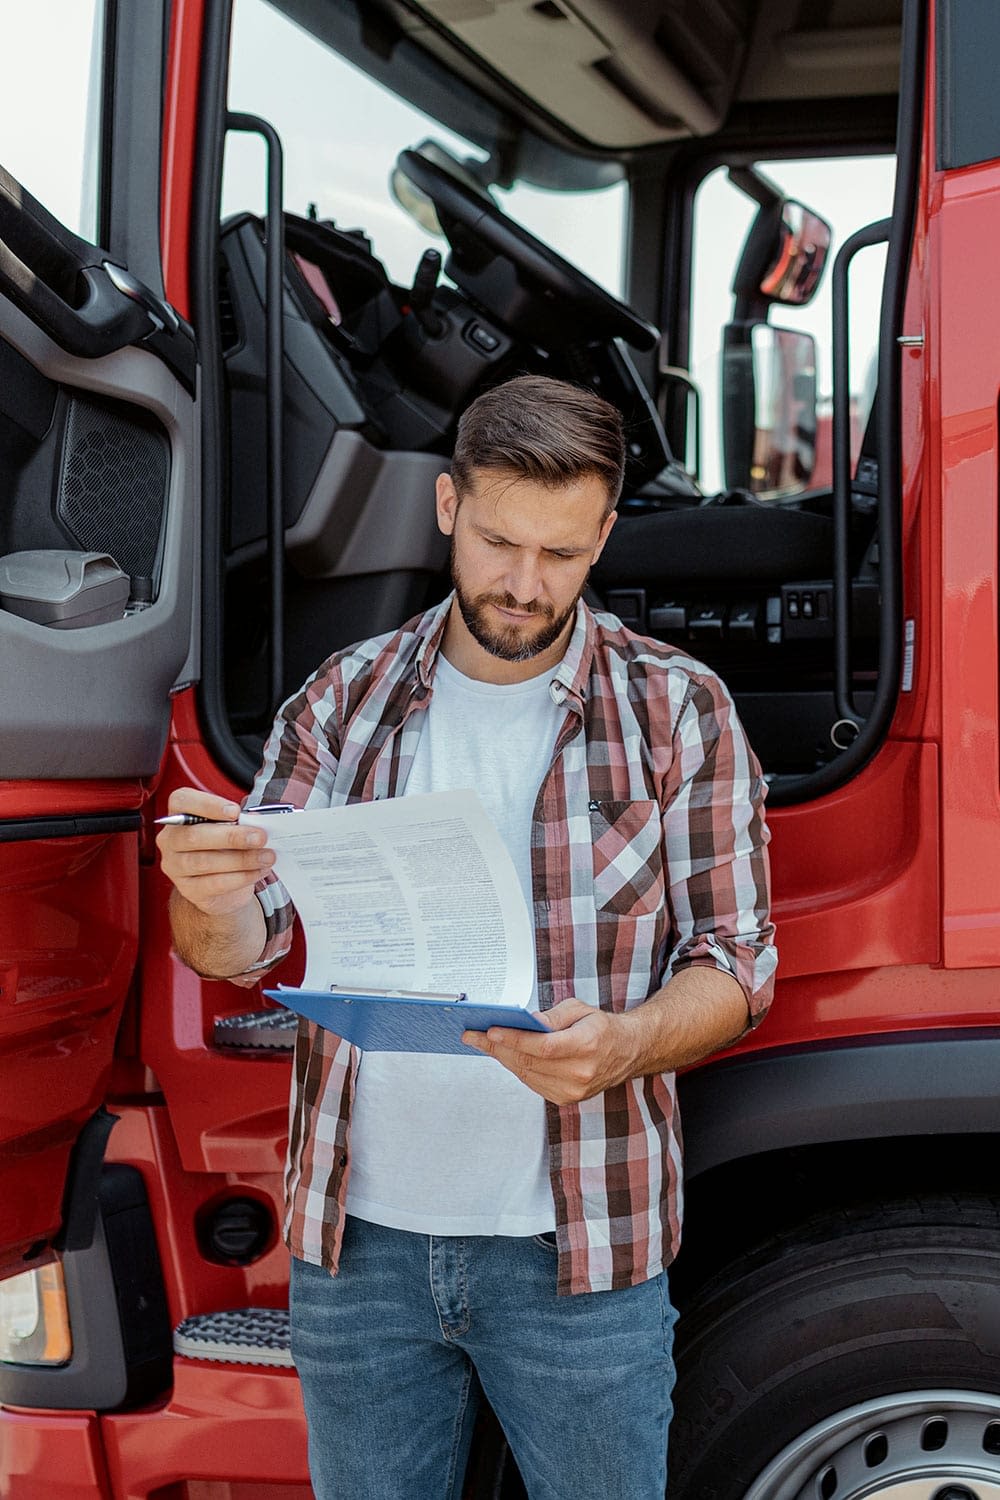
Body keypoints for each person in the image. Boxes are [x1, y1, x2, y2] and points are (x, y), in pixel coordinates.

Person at [158, 374, 777, 1500]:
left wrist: (629, 1042)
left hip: (579, 1250)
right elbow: (237, 947)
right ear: (448, 506)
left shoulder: (679, 709)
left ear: (602, 536)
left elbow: (736, 959)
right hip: (358, 1247)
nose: (524, 584)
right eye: (498, 542)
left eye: (560, 553)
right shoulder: (340, 702)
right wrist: (205, 892)